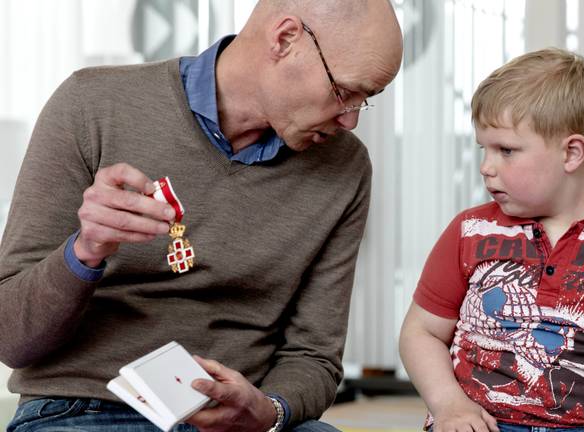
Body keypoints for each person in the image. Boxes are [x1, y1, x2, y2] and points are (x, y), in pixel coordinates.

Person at [0, 0, 403, 431]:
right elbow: (11, 340)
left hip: (239, 421)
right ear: (285, 39)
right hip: (84, 407)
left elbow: (314, 355)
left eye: (368, 99)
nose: (352, 119)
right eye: (344, 92)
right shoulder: (91, 104)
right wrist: (84, 252)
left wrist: (270, 410)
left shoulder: (345, 166)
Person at [399, 48, 584, 432]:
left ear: (572, 152)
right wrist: (449, 405)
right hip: (478, 424)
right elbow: (421, 332)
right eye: (483, 149)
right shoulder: (470, 232)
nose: (486, 167)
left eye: (506, 151)